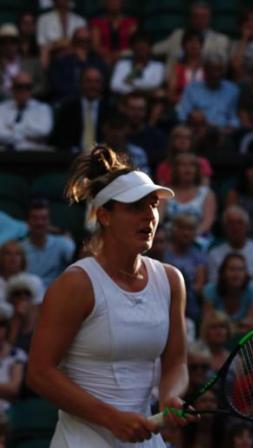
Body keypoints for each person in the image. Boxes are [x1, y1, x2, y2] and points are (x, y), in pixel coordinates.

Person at [26, 145, 194, 445]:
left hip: (144, 439)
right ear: (104, 216)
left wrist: (170, 396)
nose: (149, 216)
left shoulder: (171, 280)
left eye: (153, 205)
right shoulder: (77, 284)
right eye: (135, 207)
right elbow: (39, 373)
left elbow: (176, 363)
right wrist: (112, 419)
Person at [21, 199, 76, 287]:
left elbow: (77, 263)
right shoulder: (20, 249)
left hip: (56, 293)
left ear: (49, 221)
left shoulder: (62, 243)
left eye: (43, 218)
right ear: (28, 222)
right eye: (35, 218)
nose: (39, 223)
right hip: (28, 294)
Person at [0, 71, 52, 151]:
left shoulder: (43, 108)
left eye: (28, 87)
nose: (24, 90)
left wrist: (13, 128)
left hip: (34, 154)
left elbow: (44, 131)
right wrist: (26, 135)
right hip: (5, 154)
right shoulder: (2, 108)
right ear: (12, 88)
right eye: (19, 86)